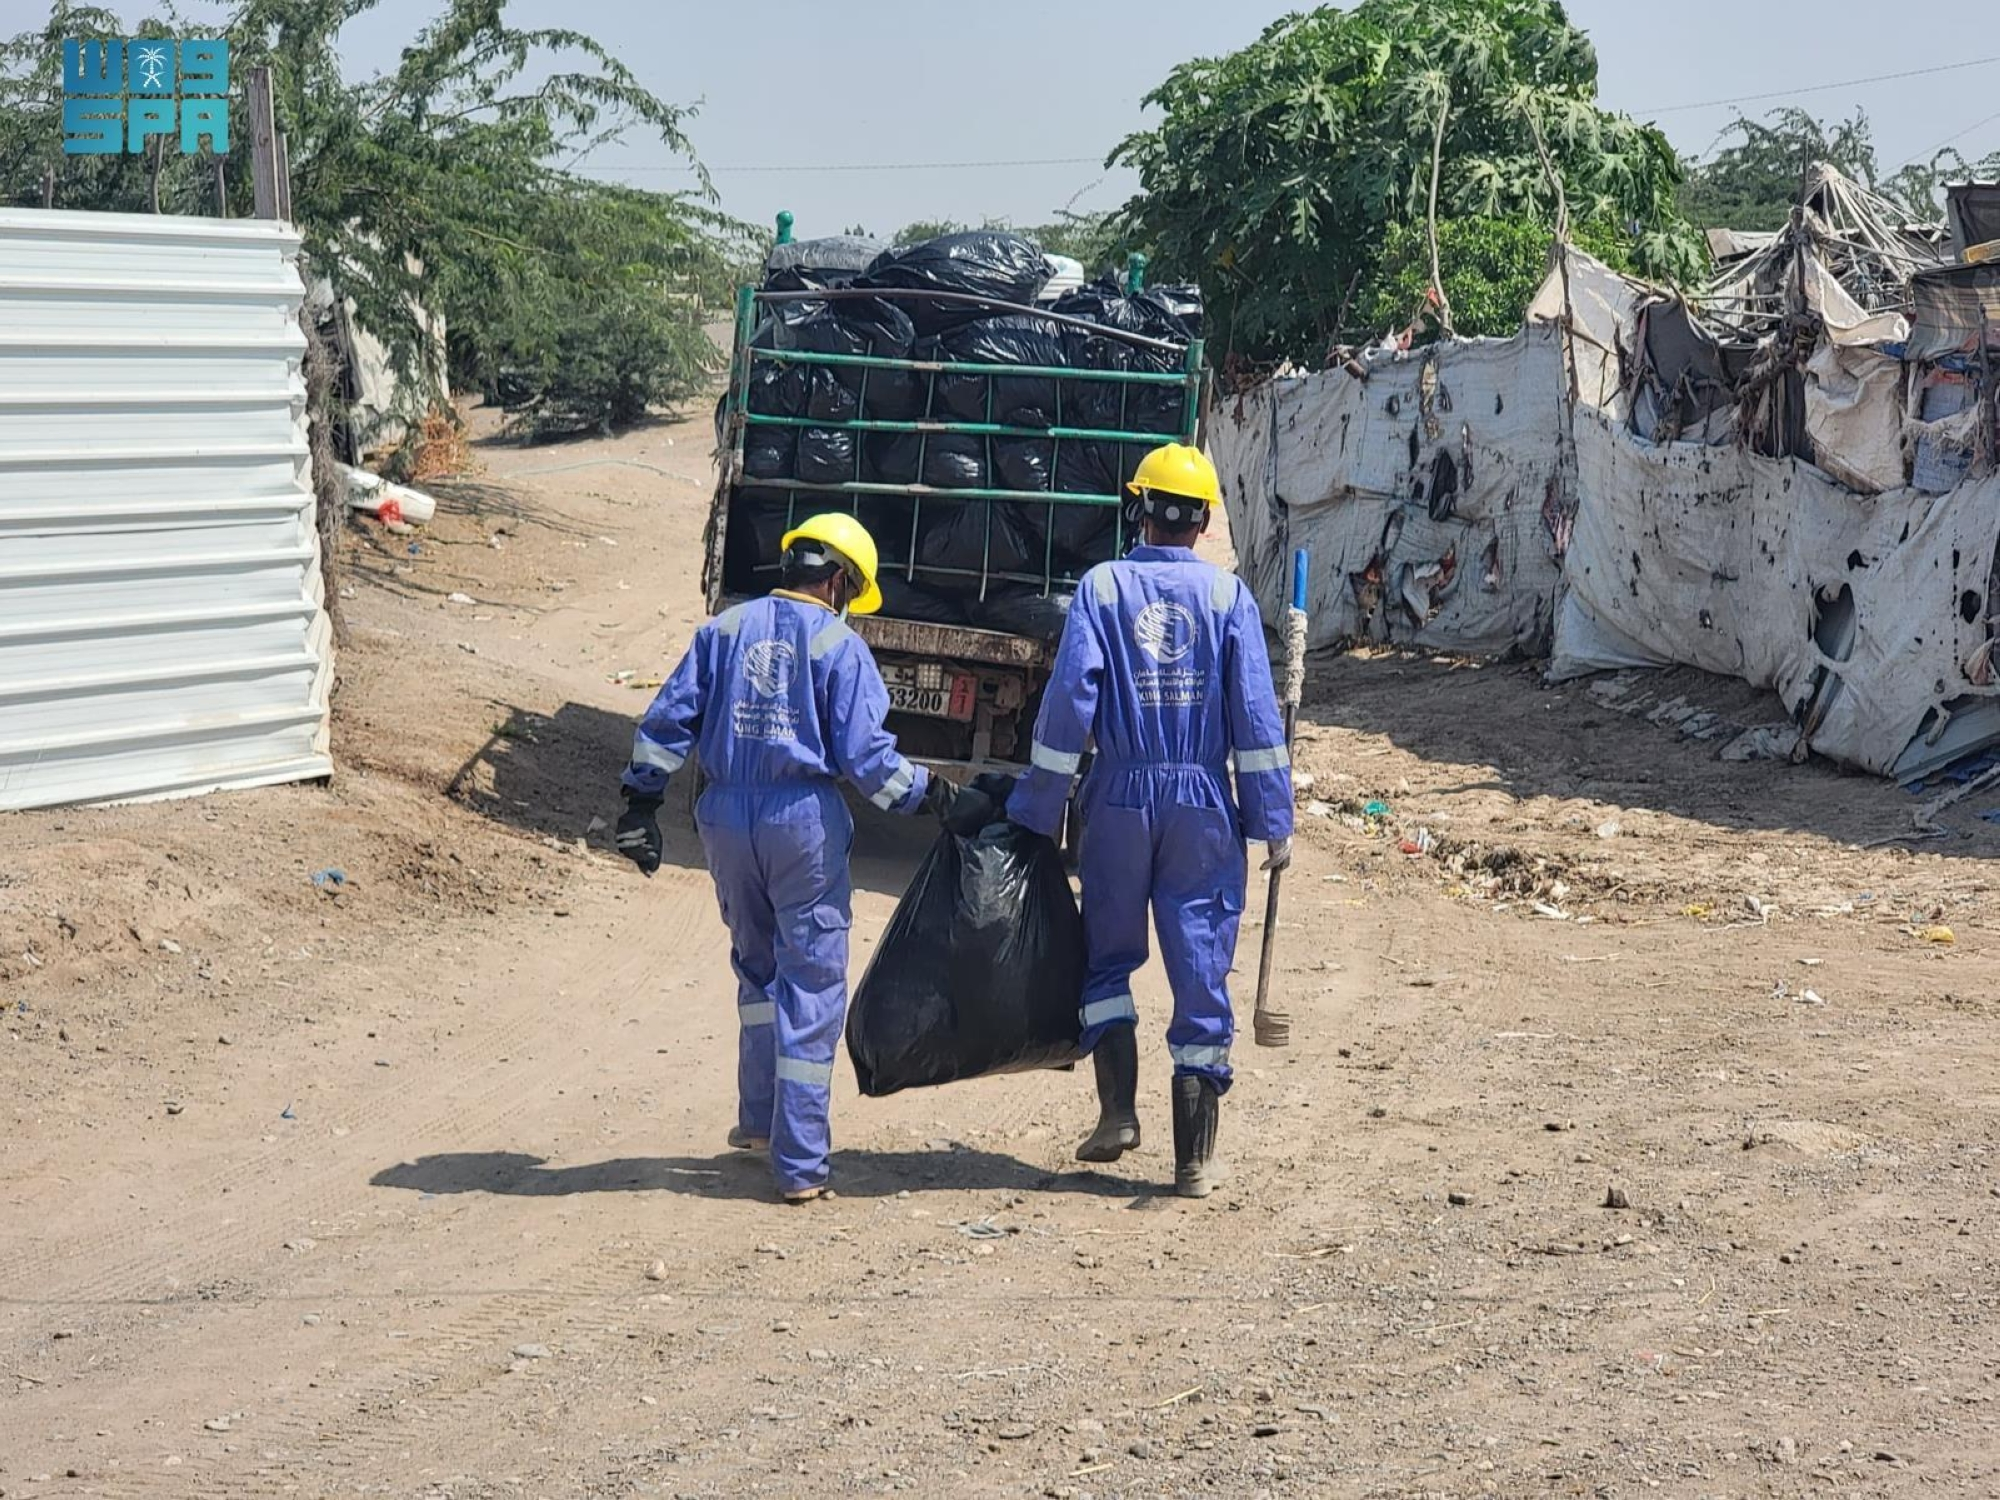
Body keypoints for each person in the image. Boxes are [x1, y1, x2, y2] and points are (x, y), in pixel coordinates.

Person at [614, 513, 957, 1203]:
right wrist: (935, 797)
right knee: (811, 981)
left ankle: (758, 1121)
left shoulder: (723, 631)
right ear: (837, 579)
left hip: (725, 816)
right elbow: (871, 765)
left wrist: (639, 803)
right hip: (800, 821)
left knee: (758, 968)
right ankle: (800, 1166)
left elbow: (667, 720)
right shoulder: (839, 646)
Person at [1006, 444, 1294, 1198]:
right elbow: (1257, 722)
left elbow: (1067, 710)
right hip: (1201, 802)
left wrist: (1036, 809)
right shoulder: (1230, 601)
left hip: (1118, 797)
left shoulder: (1102, 589)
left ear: (1140, 510)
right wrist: (1274, 822)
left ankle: (1117, 1115)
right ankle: (1193, 1161)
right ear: (1203, 520)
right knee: (1200, 966)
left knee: (1105, 956)